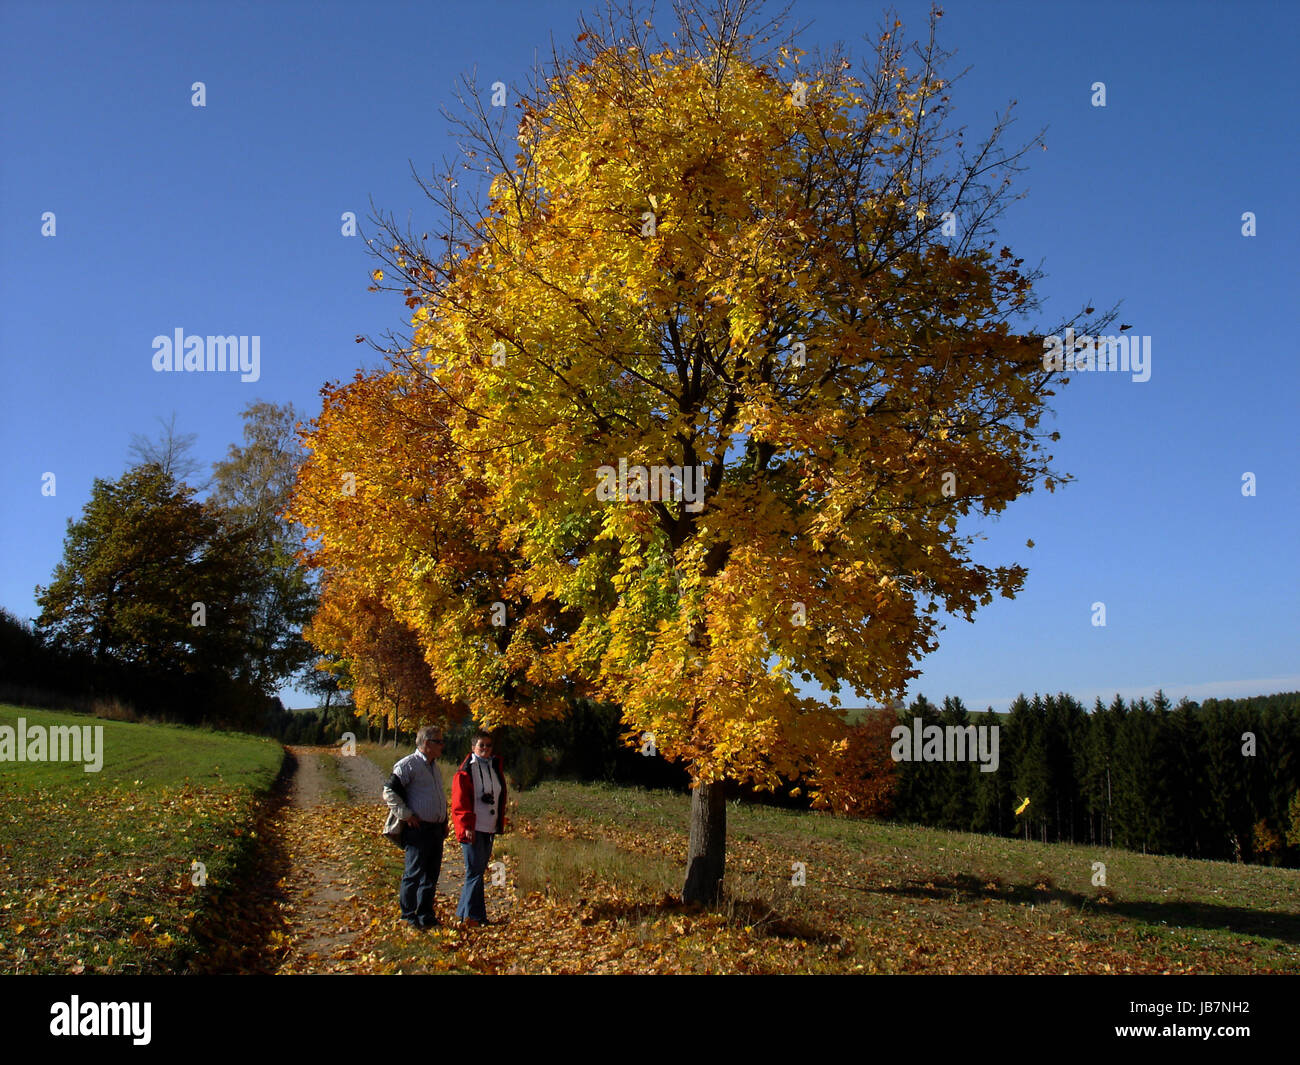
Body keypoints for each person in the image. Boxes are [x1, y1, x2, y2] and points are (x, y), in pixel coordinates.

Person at [383, 725, 448, 929]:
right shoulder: (408, 765)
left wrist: (444, 822)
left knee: (431, 875)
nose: (442, 745)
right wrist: (406, 815)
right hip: (419, 829)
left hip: (435, 830)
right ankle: (408, 917)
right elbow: (389, 792)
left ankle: (425, 915)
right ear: (427, 743)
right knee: (413, 874)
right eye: (438, 741)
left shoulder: (434, 766)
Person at [451, 729, 507, 927]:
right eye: (481, 745)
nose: (485, 749)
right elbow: (460, 801)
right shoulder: (467, 769)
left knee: (478, 870)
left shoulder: (493, 766)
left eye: (488, 745)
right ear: (473, 747)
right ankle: (469, 916)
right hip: (472, 827)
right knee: (474, 871)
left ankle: (470, 915)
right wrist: (466, 825)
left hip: (489, 826)